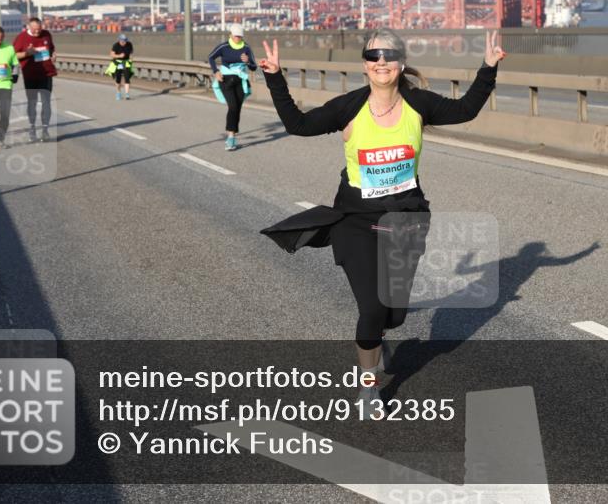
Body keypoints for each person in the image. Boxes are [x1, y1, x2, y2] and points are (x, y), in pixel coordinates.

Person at [258, 28, 506, 416]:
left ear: (401, 63)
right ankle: (369, 387)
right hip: (354, 221)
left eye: (389, 56)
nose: (382, 63)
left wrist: (488, 68)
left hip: (404, 221)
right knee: (372, 309)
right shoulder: (349, 107)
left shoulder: (418, 104)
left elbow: (465, 110)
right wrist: (274, 77)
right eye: (374, 56)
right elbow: (298, 125)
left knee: (394, 314)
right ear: (365, 65)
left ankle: (378, 338)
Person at [208, 24, 256, 151]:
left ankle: (232, 135)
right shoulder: (224, 46)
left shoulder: (246, 48)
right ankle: (229, 138)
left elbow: (254, 67)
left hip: (240, 81)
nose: (237, 39)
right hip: (225, 80)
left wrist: (248, 61)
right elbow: (211, 57)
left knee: (237, 109)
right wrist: (215, 71)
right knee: (233, 106)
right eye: (235, 36)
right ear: (230, 35)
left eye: (240, 36)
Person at [13, 17, 57, 143]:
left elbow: (52, 48)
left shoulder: (46, 34)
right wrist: (27, 53)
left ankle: (45, 130)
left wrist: (53, 55)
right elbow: (14, 55)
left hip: (46, 73)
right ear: (29, 27)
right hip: (30, 75)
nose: (38, 32)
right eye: (35, 30)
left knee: (46, 102)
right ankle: (32, 128)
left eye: (39, 29)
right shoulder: (21, 37)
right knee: (32, 102)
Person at [110, 34, 134, 100]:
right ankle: (118, 92)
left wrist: (131, 59)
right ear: (119, 40)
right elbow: (112, 55)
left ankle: (127, 94)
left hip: (126, 63)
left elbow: (131, 53)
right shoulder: (116, 45)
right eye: (123, 41)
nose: (124, 42)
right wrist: (119, 56)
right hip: (118, 63)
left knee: (127, 78)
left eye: (125, 41)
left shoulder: (129, 44)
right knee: (118, 79)